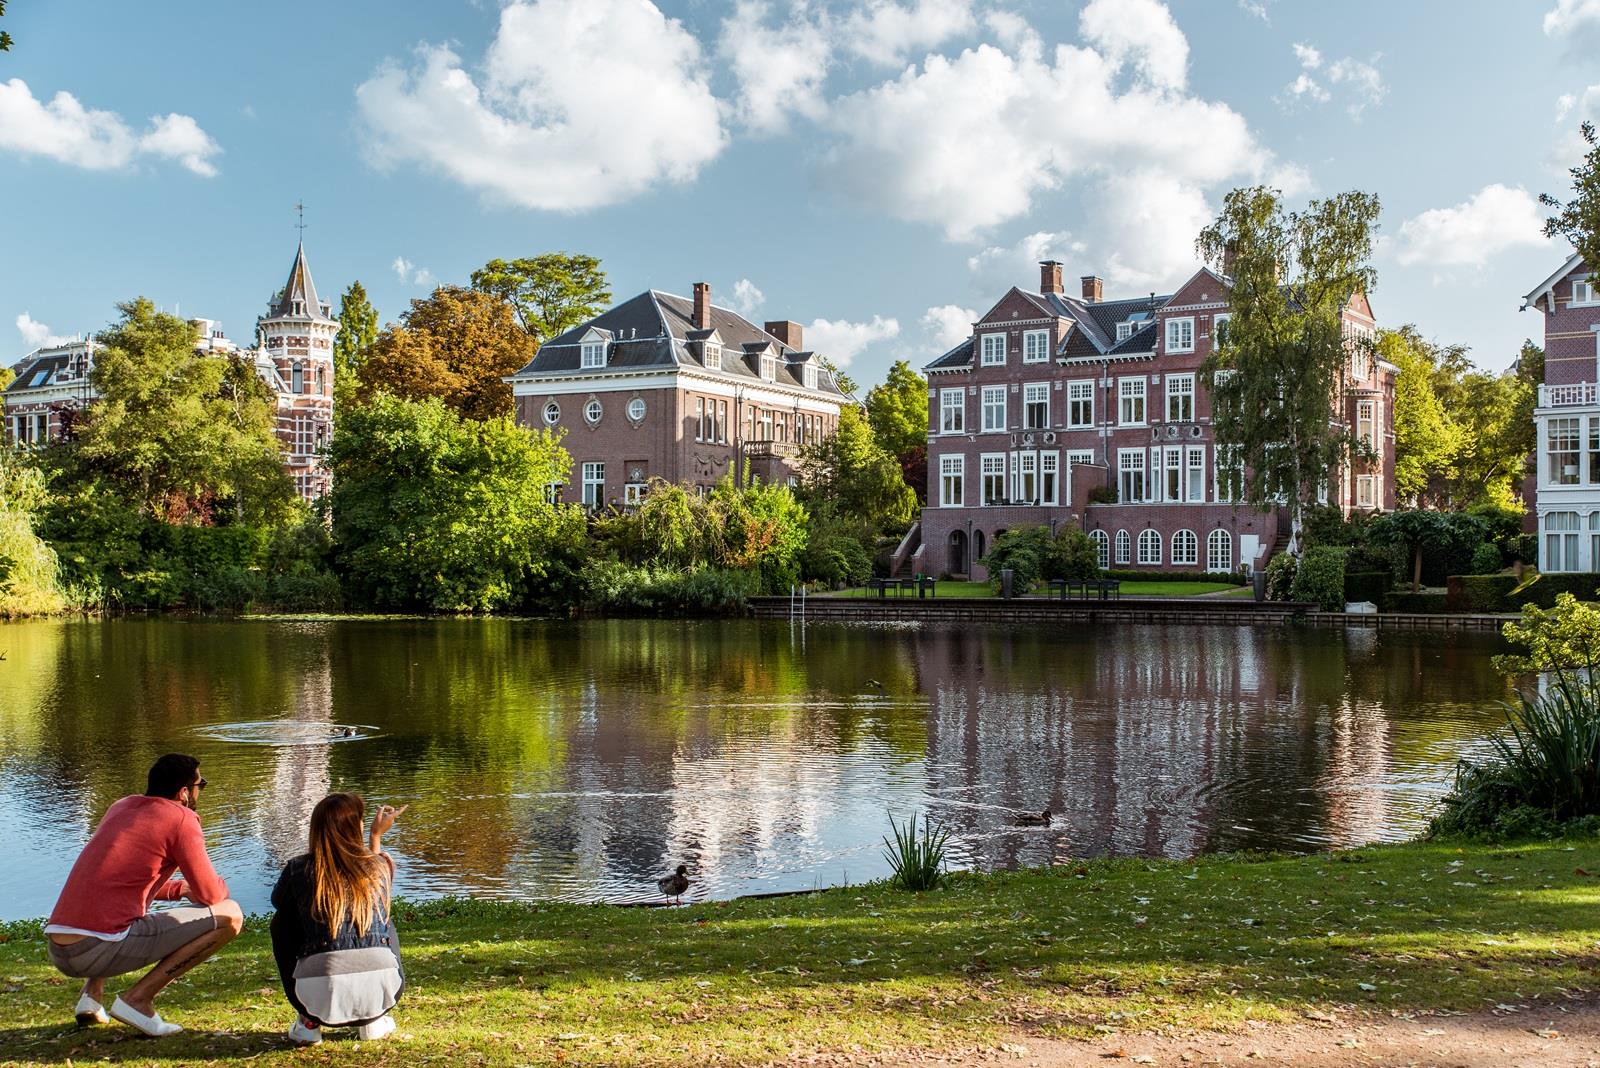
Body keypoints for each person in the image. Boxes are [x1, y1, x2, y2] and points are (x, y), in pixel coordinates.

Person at [44, 753, 244, 1037]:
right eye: (202, 784)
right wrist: (216, 888)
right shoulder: (181, 818)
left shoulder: (121, 807)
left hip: (59, 948)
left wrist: (178, 889)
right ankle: (137, 1000)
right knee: (231, 914)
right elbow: (211, 895)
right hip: (95, 950)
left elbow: (118, 881)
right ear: (184, 792)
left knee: (116, 906)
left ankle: (91, 997)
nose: (201, 790)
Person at [271, 793, 406, 1046]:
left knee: (282, 921)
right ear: (356, 827)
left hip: (313, 1002)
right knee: (380, 917)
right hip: (385, 996)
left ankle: (308, 1024)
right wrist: (376, 838)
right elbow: (371, 879)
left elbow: (279, 902)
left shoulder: (298, 868)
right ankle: (372, 1020)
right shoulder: (381, 865)